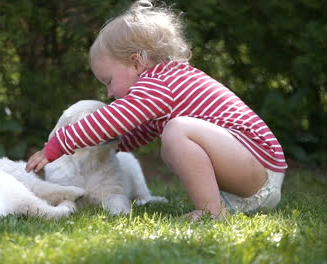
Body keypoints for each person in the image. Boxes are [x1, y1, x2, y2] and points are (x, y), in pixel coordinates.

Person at [25, 0, 287, 221]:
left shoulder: (159, 83)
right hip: (252, 169)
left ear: (136, 62)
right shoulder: (163, 85)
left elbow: (113, 119)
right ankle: (218, 205)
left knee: (176, 131)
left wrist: (58, 144)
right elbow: (140, 129)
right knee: (171, 135)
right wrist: (114, 143)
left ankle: (210, 211)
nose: (109, 94)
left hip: (258, 168)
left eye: (109, 81)